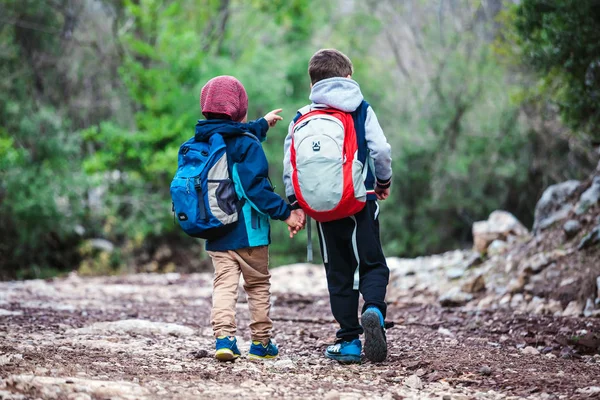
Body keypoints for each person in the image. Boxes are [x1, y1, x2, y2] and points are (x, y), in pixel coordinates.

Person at [283, 49, 392, 363]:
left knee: (339, 271)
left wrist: (296, 205)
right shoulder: (360, 109)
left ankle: (348, 342)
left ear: (314, 81)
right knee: (372, 262)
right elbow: (381, 150)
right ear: (348, 78)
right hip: (361, 199)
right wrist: (382, 182)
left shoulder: (301, 117)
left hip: (324, 206)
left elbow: (290, 168)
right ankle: (372, 309)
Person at [196, 75, 304, 361]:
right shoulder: (248, 146)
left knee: (224, 285)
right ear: (240, 108)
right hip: (251, 233)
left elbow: (231, 134)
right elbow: (255, 190)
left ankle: (224, 339)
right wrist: (286, 213)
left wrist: (261, 124)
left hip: (217, 231)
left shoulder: (203, 141)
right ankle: (260, 343)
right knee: (257, 285)